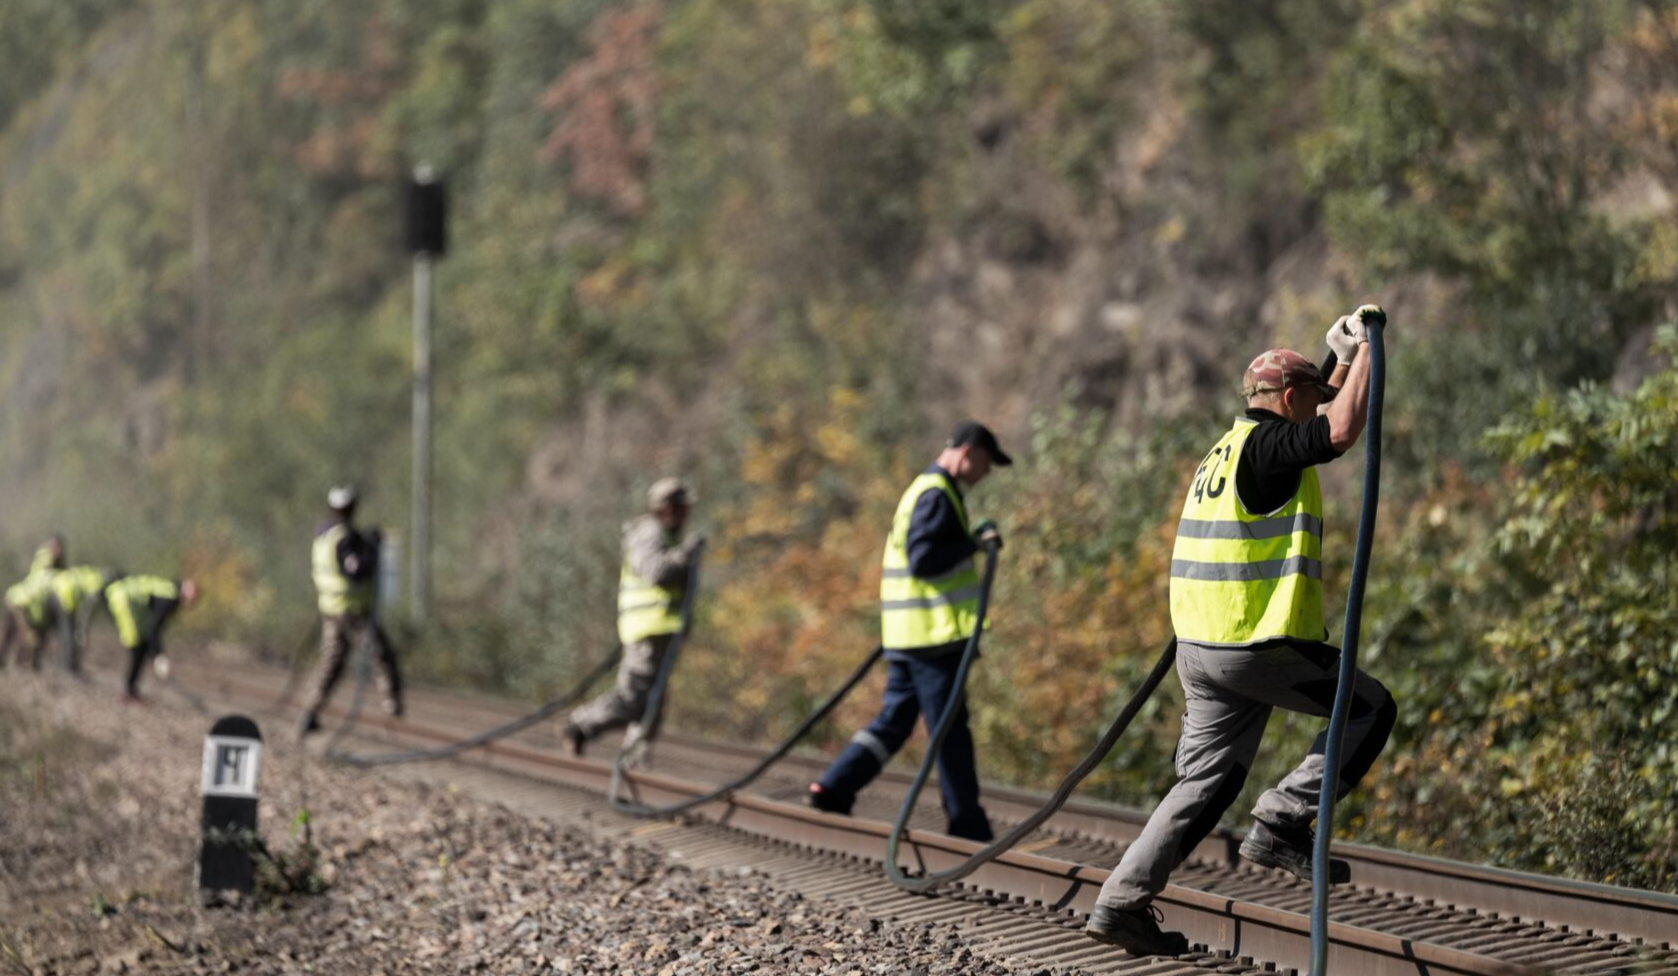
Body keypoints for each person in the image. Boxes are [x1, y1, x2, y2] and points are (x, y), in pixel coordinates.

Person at [1084, 306, 1398, 957]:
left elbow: (1321, 417)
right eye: (1312, 396)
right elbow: (1339, 430)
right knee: (1370, 707)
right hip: (1252, 644)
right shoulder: (1270, 448)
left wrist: (1339, 359)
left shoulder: (1228, 450)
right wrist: (1371, 343)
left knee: (1203, 785)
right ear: (1289, 399)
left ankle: (1119, 902)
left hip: (1200, 648)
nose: (1320, 405)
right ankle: (1282, 819)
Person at [806, 421, 1010, 842]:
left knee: (894, 723)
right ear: (968, 452)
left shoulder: (928, 489)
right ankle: (967, 824)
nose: (987, 472)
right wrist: (974, 544)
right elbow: (923, 559)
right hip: (931, 639)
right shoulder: (937, 494)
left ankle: (834, 786)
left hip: (909, 636)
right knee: (949, 730)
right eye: (987, 462)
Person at [564, 477, 704, 758]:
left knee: (654, 701)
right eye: (682, 507)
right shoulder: (650, 533)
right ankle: (581, 726)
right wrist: (684, 555)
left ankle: (635, 754)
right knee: (633, 699)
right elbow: (655, 572)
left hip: (663, 633)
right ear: (667, 508)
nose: (686, 514)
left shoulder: (668, 536)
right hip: (647, 632)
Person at [298, 485, 403, 736]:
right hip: (351, 611)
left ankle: (310, 712)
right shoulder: (345, 539)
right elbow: (355, 570)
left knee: (331, 664)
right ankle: (391, 707)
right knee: (380, 654)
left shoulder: (324, 534)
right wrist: (372, 550)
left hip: (330, 609)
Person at [104, 573, 198, 701]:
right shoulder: (169, 598)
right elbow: (154, 629)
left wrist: (155, 652)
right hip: (123, 599)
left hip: (128, 601)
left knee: (142, 645)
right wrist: (158, 655)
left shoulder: (169, 589)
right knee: (137, 645)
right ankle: (128, 691)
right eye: (193, 593)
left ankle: (131, 689)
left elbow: (152, 629)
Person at [1, 536, 66, 669]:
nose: (56, 551)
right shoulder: (45, 565)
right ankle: (20, 665)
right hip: (19, 603)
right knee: (26, 636)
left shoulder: (54, 569)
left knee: (25, 635)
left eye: (57, 547)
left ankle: (25, 664)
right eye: (53, 547)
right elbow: (36, 589)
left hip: (28, 605)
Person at [49, 566, 111, 673]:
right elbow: (87, 613)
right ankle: (69, 666)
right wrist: (83, 632)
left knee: (68, 632)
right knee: (69, 633)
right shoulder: (97, 587)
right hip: (65, 597)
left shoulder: (93, 577)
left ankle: (69, 664)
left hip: (57, 590)